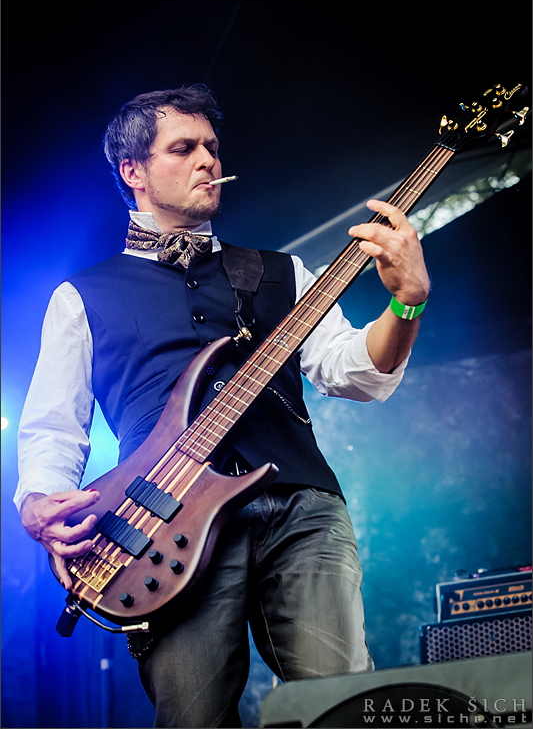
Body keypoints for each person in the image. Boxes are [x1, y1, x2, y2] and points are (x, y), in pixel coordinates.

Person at [15, 85, 430, 728]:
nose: (208, 159)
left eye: (211, 146)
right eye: (183, 148)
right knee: (195, 718)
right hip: (162, 524)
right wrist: (38, 503)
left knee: (343, 705)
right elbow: (52, 428)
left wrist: (407, 302)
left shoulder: (281, 272)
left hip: (299, 506)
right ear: (134, 172)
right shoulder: (81, 296)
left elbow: (358, 375)